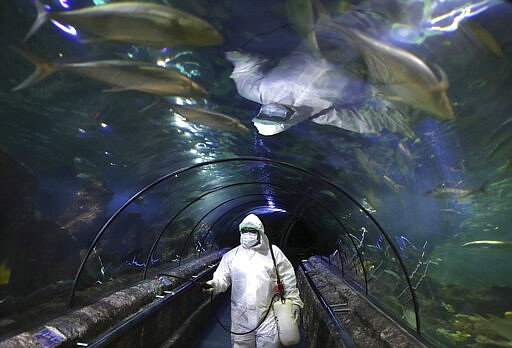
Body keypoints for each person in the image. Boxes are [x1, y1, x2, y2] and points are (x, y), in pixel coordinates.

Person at [204, 213, 303, 348]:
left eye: (252, 231)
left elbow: (288, 278)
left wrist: (295, 301)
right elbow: (222, 278)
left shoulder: (273, 253)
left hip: (269, 315)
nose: (247, 234)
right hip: (241, 318)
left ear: (260, 233)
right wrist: (214, 285)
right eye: (245, 231)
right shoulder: (232, 256)